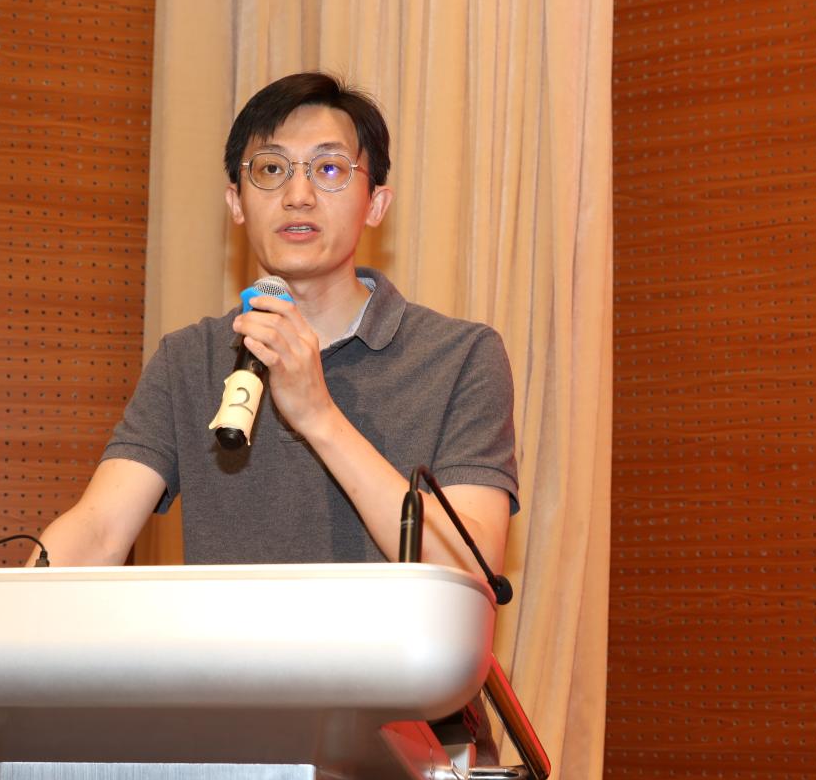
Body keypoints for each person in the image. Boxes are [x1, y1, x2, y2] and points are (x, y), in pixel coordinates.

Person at [30, 72, 517, 575]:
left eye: (329, 168)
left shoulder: (461, 356)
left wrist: (318, 415)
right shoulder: (188, 359)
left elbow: (472, 568)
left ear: (375, 205)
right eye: (271, 168)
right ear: (236, 203)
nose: (298, 195)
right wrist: (16, 600)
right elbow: (100, 530)